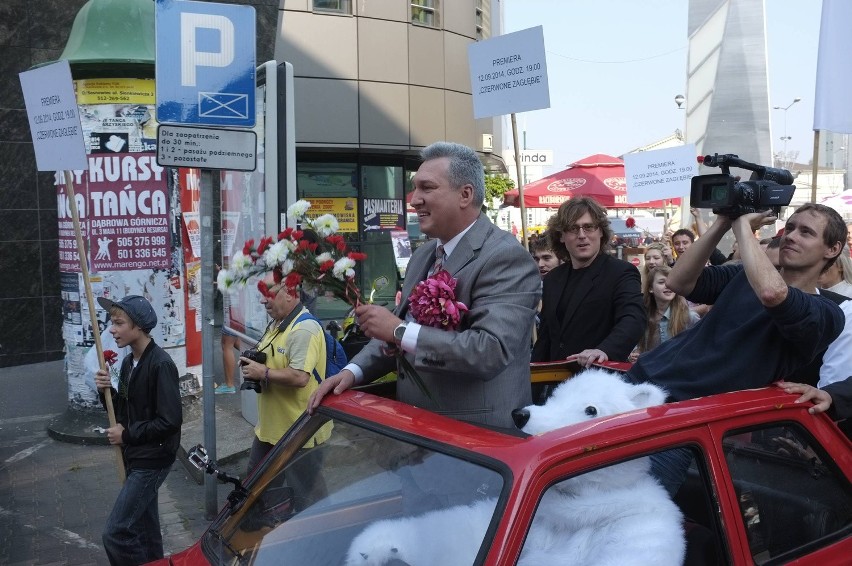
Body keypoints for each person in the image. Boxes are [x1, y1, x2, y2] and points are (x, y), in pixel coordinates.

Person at [308, 141, 540, 429]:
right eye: (415, 188)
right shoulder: (423, 255)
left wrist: (397, 329)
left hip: (476, 440)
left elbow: (489, 350)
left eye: (426, 188)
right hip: (418, 430)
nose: (414, 199)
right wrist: (353, 371)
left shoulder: (505, 256)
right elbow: (400, 333)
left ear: (465, 194)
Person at [626, 204, 847, 492]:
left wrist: (743, 226)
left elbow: (773, 294)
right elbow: (679, 280)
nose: (791, 236)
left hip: (681, 421)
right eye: (790, 227)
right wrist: (721, 223)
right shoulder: (743, 277)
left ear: (832, 249)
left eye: (806, 232)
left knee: (627, 522)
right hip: (636, 384)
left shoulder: (828, 312)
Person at [93, 295, 182, 566]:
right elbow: (124, 412)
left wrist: (127, 435)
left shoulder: (161, 364)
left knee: (117, 532)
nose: (111, 329)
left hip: (152, 460)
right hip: (137, 454)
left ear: (140, 327)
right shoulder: (128, 362)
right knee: (145, 529)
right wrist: (105, 392)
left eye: (119, 323)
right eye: (111, 322)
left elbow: (170, 421)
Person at [531, 196, 645, 368]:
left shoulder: (621, 272)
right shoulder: (553, 279)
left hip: (598, 378)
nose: (582, 235)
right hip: (556, 382)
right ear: (561, 236)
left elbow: (633, 319)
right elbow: (547, 335)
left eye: (589, 227)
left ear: (601, 232)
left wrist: (604, 350)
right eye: (573, 229)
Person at [239, 276, 333, 476]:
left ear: (290, 293)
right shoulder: (276, 324)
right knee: (254, 492)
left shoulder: (303, 329)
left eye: (269, 294)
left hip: (299, 433)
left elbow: (300, 377)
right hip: (271, 430)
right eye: (262, 295)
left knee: (306, 498)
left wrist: (262, 372)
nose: (263, 301)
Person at [635, 264, 699, 355]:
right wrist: (634, 354)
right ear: (650, 288)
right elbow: (634, 345)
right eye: (662, 282)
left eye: (671, 282)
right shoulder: (641, 315)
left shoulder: (689, 317)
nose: (668, 285)